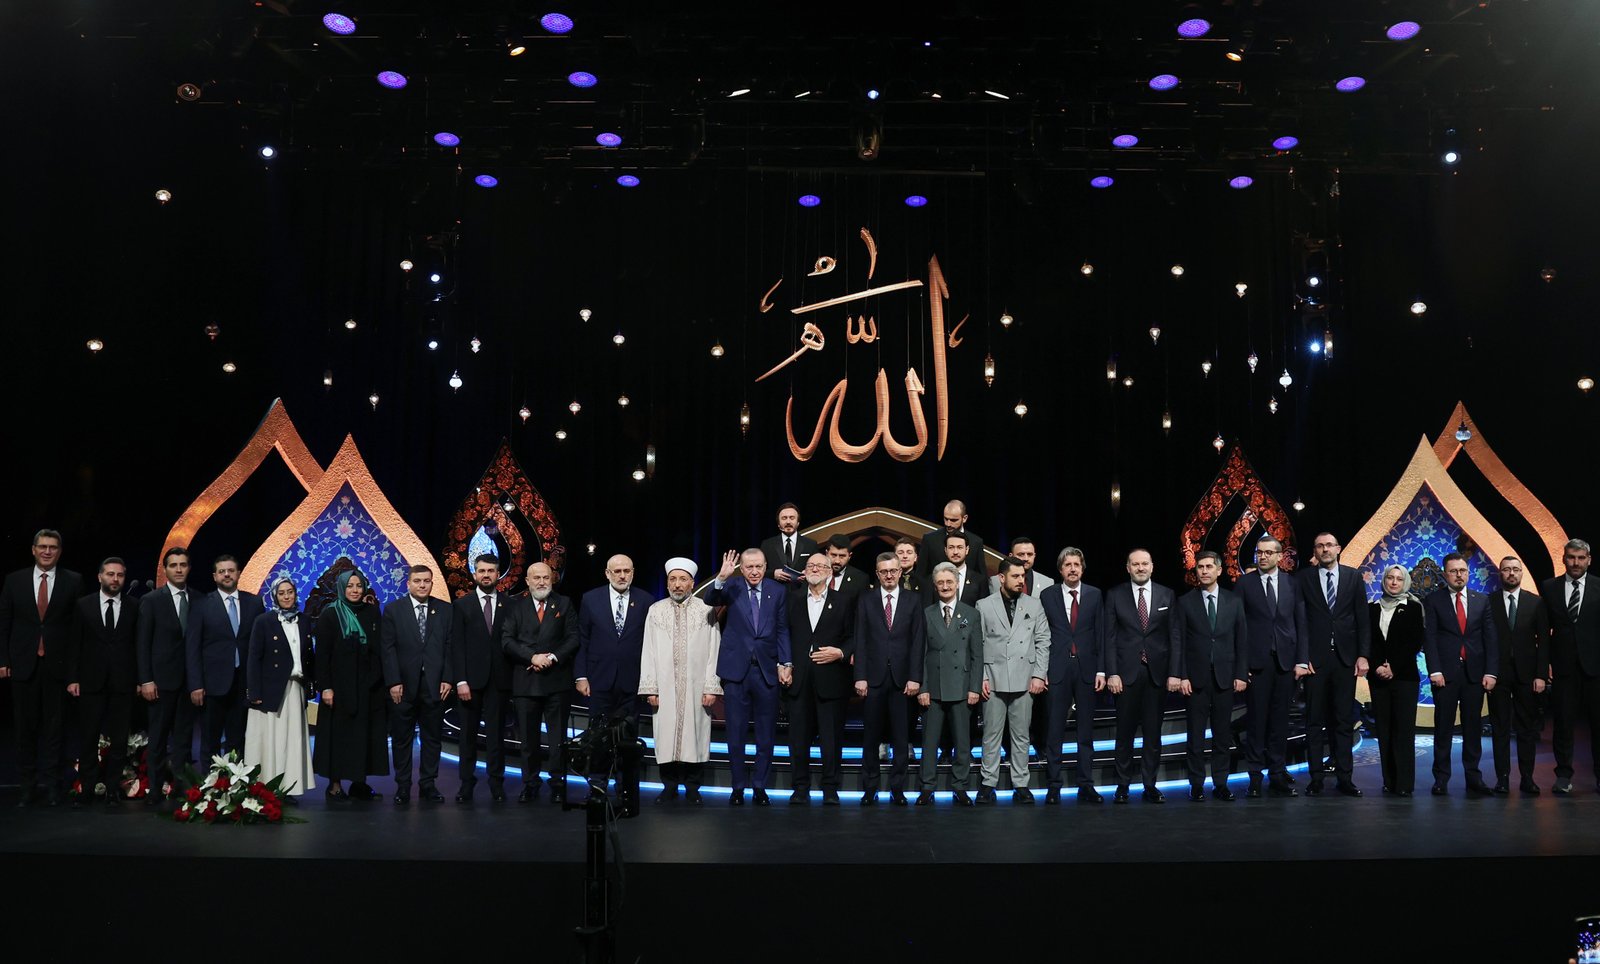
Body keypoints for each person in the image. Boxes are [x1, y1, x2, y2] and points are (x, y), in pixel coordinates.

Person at [1, 529, 84, 807]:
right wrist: (3, 660)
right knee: (24, 729)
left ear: (60, 551)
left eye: (53, 547)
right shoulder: (14, 580)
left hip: (57, 667)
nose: (47, 551)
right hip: (23, 665)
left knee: (55, 729)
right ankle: (27, 787)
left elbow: (77, 631)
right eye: (43, 547)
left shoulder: (74, 580)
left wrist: (74, 672)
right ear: (33, 550)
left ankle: (53, 786)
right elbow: (4, 622)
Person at [705, 548, 791, 806]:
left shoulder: (777, 590)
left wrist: (786, 662)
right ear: (741, 568)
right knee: (736, 733)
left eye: (759, 567)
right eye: (749, 567)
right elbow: (710, 599)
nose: (754, 572)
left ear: (765, 566)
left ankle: (760, 786)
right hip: (736, 672)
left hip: (766, 670)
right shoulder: (731, 586)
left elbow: (782, 629)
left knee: (766, 735)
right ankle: (738, 787)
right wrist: (721, 578)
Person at [575, 554, 653, 816]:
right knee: (597, 736)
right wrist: (581, 676)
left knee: (627, 738)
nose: (622, 575)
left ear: (633, 572)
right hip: (599, 679)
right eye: (617, 571)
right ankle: (597, 787)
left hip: (632, 681)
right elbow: (583, 639)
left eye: (626, 571)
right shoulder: (590, 599)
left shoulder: (645, 600)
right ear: (607, 573)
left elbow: (650, 643)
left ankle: (625, 789)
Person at [639, 558, 721, 804]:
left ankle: (693, 787)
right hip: (664, 686)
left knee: (696, 735)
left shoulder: (706, 610)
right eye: (672, 579)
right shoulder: (656, 610)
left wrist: (711, 686)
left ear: (692, 583)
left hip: (697, 685)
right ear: (667, 583)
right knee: (666, 735)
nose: (677, 584)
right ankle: (670, 785)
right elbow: (648, 650)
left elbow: (714, 650)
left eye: (683, 579)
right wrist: (651, 688)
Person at [1170, 551, 1248, 802]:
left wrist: (1241, 674)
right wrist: (1182, 675)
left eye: (1208, 567)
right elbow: (1179, 641)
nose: (1204, 571)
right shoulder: (1185, 602)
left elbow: (1241, 640)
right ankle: (1196, 784)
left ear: (1219, 570)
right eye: (1200, 567)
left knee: (1222, 735)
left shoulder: (1233, 601)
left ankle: (1221, 783)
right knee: (1195, 735)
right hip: (1195, 680)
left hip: (1225, 677)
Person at [1297, 533, 1370, 797]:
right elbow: (1300, 620)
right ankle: (1316, 778)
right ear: (1315, 551)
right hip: (1314, 661)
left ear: (1338, 549)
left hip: (1345, 659)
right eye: (1320, 545)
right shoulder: (1304, 578)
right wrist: (1302, 656)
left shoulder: (1353, 576)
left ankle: (1345, 778)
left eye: (1329, 545)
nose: (1325, 549)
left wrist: (1363, 655)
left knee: (1343, 720)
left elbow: (1362, 618)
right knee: (1314, 721)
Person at [1236, 536, 1309, 798]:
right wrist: (1240, 665)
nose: (1263, 557)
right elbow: (1238, 626)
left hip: (1285, 662)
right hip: (1257, 662)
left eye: (1268, 552)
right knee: (1256, 722)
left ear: (1280, 556)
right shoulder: (1245, 583)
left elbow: (1301, 623)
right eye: (1260, 552)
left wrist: (1302, 659)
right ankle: (1255, 777)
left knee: (1280, 721)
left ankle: (1277, 774)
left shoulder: (1292, 583)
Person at [974, 557, 1050, 804]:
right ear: (1001, 578)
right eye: (1015, 576)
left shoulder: (1034, 605)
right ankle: (988, 783)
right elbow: (977, 644)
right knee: (991, 735)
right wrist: (981, 677)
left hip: (1024, 678)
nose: (1020, 581)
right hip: (993, 678)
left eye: (1022, 576)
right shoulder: (984, 605)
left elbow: (1043, 641)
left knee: (1021, 735)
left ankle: (1021, 784)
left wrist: (1039, 674)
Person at [1422, 552, 1499, 796]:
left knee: (1473, 729)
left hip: (1474, 674)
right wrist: (1434, 670)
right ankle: (1441, 778)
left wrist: (1491, 672)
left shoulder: (1481, 600)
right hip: (1445, 675)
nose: (1459, 575)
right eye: (1454, 571)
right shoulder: (1433, 600)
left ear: (1468, 573)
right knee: (1443, 728)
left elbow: (1490, 638)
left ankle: (1474, 777)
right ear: (1445, 574)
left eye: (1463, 571)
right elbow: (1429, 638)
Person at [66, 557, 141, 808]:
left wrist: (140, 679)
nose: (115, 579)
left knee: (119, 740)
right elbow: (74, 643)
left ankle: (112, 790)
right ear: (100, 577)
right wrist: (73, 678)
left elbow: (138, 645)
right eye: (110, 574)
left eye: (119, 575)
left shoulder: (134, 605)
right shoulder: (83, 605)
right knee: (88, 738)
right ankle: (87, 789)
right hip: (90, 681)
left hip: (123, 682)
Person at [1105, 548, 1177, 804]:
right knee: (1124, 733)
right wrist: (1112, 672)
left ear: (1152, 566)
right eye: (1135, 564)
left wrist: (1175, 673)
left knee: (1152, 734)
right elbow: (1109, 638)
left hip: (1157, 675)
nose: (1140, 568)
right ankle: (1123, 785)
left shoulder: (1167, 594)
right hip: (1125, 675)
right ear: (1128, 568)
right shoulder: (1115, 595)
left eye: (1144, 563)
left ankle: (1150, 784)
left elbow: (1175, 637)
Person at [502, 561, 578, 803]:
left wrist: (551, 657)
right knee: (528, 740)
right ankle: (530, 783)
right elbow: (507, 640)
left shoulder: (564, 603)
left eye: (546, 577)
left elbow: (573, 638)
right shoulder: (515, 606)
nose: (542, 582)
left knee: (557, 740)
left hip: (557, 682)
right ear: (527, 581)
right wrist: (532, 657)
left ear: (552, 579)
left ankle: (557, 783)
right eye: (537, 578)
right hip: (526, 682)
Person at [854, 552, 925, 805]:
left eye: (893, 571)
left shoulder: (913, 600)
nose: (889, 575)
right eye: (884, 571)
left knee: (900, 737)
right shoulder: (866, 599)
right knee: (871, 737)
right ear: (877, 573)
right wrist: (860, 676)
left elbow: (918, 641)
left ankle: (897, 788)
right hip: (873, 678)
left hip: (903, 680)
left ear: (900, 572)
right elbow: (860, 639)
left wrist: (915, 677)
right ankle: (870, 787)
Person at [785, 552, 856, 805]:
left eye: (820, 566)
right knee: (798, 738)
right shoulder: (791, 599)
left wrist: (841, 652)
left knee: (831, 738)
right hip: (798, 679)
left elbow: (854, 636)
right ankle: (800, 787)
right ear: (804, 571)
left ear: (829, 572)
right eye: (811, 565)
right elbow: (783, 633)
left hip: (832, 679)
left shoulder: (844, 601)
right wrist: (784, 664)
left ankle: (830, 788)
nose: (815, 569)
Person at [1037, 547, 1106, 804]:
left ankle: (1085, 785)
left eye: (1077, 564)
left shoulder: (1095, 595)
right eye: (1068, 565)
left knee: (1085, 732)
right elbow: (1040, 634)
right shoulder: (1047, 595)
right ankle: (1054, 785)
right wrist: (1041, 670)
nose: (1073, 569)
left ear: (1083, 568)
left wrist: (1101, 670)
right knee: (1054, 730)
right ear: (1060, 569)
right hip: (1057, 668)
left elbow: (1101, 634)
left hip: (1087, 668)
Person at [379, 564, 451, 805]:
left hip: (434, 685)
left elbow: (451, 646)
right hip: (403, 686)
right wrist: (393, 681)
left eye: (426, 581)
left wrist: (447, 678)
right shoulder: (393, 610)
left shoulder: (445, 610)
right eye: (417, 581)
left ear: (432, 583)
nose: (422, 585)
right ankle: (403, 786)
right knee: (402, 738)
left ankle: (428, 784)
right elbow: (388, 649)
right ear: (408, 583)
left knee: (432, 738)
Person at [313, 569, 387, 800]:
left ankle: (359, 783)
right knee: (338, 737)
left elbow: (379, 648)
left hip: (367, 686)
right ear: (341, 588)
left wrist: (376, 679)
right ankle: (335, 785)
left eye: (359, 585)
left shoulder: (372, 612)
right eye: (350, 586)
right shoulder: (330, 614)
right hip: (338, 688)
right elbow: (322, 655)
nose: (355, 590)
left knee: (363, 735)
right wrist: (325, 687)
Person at [185, 554, 264, 764]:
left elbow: (260, 647)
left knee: (237, 740)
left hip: (243, 684)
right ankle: (209, 783)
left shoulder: (254, 603)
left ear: (238, 573)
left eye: (230, 570)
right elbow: (192, 648)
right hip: (212, 686)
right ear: (214, 576)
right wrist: (195, 684)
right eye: (222, 571)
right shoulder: (201, 604)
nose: (226, 574)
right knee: (210, 741)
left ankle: (235, 782)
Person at [136, 547, 198, 803]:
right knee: (158, 738)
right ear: (165, 569)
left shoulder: (199, 599)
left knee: (184, 738)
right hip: (160, 682)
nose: (179, 569)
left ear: (189, 568)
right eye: (174, 565)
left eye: (183, 565)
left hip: (189, 682)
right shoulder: (151, 600)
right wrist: (145, 679)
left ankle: (181, 787)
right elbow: (142, 643)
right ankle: (155, 788)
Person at [244, 577, 314, 800]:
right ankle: (268, 786)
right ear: (275, 595)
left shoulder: (304, 621)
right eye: (281, 593)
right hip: (270, 690)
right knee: (271, 741)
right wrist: (254, 692)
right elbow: (254, 658)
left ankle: (289, 787)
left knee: (292, 741)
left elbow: (308, 656)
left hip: (295, 689)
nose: (286, 596)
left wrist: (312, 684)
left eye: (290, 592)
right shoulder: (264, 621)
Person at [917, 562, 981, 805]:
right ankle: (927, 786)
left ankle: (960, 786)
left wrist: (974, 687)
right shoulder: (926, 613)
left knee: (962, 742)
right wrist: (923, 688)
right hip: (932, 688)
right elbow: (921, 654)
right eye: (940, 583)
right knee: (929, 742)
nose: (945, 586)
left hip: (962, 686)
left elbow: (977, 655)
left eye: (949, 582)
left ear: (957, 584)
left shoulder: (971, 613)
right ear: (935, 586)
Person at [450, 553, 513, 803]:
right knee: (467, 735)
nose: (486, 575)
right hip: (470, 682)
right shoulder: (461, 605)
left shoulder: (510, 605)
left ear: (498, 574)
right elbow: (456, 646)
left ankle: (496, 784)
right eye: (482, 571)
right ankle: (466, 784)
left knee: (496, 736)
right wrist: (460, 681)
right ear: (475, 574)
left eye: (490, 571)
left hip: (499, 681)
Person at [1541, 539, 1599, 795]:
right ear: (1564, 558)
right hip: (1563, 667)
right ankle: (1563, 775)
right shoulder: (1549, 587)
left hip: (1595, 668)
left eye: (1581, 558)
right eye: (1571, 557)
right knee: (1563, 724)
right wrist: (1545, 664)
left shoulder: (1599, 586)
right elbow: (1544, 630)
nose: (1576, 562)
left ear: (1589, 560)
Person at [1489, 555, 1549, 794]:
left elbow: (1544, 641)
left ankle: (1527, 778)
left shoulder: (1536, 603)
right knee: (1500, 728)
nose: (1511, 573)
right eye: (1506, 569)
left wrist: (1541, 675)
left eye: (1515, 569)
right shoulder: (1489, 602)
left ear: (1521, 573)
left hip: (1528, 675)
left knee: (1526, 729)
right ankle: (1502, 778)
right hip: (1498, 675)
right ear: (1500, 573)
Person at [1368, 563, 1423, 796]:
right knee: (1384, 730)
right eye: (1390, 578)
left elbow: (1414, 642)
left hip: (1405, 677)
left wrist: (1393, 667)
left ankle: (1404, 784)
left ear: (1405, 582)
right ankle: (1389, 781)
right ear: (1384, 580)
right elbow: (1368, 641)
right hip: (1378, 677)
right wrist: (1377, 666)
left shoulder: (1413, 607)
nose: (1394, 582)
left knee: (1403, 730)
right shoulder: (1372, 608)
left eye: (1399, 579)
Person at [918, 500, 986, 575]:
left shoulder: (976, 542)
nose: (948, 524)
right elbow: (921, 575)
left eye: (953, 520)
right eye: (946, 519)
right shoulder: (930, 540)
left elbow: (982, 577)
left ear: (964, 518)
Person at [760, 504, 818, 584]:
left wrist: (808, 573)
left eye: (792, 518)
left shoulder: (810, 544)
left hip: (801, 590)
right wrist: (773, 574)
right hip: (776, 589)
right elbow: (760, 570)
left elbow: (818, 568)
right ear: (778, 524)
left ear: (798, 522)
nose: (788, 522)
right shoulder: (767, 545)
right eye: (784, 518)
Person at [988, 537, 1054, 596]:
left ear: (1034, 556)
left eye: (1029, 554)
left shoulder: (1047, 582)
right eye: (1021, 554)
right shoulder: (995, 581)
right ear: (1011, 556)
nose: (1026, 558)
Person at [942, 531, 989, 608]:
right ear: (945, 550)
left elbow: (984, 609)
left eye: (960, 547)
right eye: (951, 547)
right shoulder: (934, 579)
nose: (955, 552)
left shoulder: (979, 580)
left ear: (967, 550)